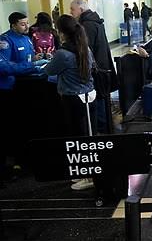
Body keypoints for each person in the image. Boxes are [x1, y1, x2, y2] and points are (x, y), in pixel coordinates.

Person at [44, 14, 96, 191]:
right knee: (86, 136)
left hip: (72, 98)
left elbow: (48, 70)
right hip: (87, 97)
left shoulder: (63, 53)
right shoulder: (85, 48)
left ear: (61, 32)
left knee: (78, 138)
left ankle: (88, 176)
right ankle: (87, 173)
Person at [0, 12, 45, 184]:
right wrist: (31, 65)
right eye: (22, 24)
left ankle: (24, 157)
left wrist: (38, 59)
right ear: (13, 25)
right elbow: (4, 67)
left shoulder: (26, 39)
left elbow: (29, 58)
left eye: (27, 23)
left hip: (26, 88)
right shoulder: (5, 41)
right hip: (6, 89)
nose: (27, 27)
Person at [70, 0, 118, 135]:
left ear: (81, 9)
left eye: (72, 9)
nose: (71, 12)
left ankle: (101, 135)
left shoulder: (87, 25)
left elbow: (86, 50)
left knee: (98, 102)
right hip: (102, 67)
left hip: (96, 70)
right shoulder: (95, 22)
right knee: (101, 99)